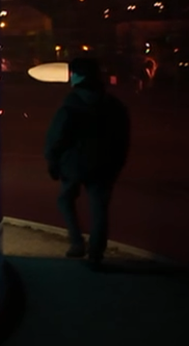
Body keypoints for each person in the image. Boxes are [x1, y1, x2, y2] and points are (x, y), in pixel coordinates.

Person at [44, 57, 131, 270]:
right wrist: (117, 164)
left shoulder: (71, 104)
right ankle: (95, 254)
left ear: (77, 76)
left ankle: (76, 242)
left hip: (74, 165)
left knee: (65, 199)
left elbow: (56, 137)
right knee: (99, 209)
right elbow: (122, 138)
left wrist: (53, 162)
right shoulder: (113, 105)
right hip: (105, 165)